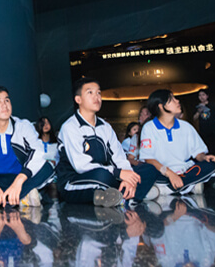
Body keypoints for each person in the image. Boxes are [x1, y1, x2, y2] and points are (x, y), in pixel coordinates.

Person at [56, 78, 160, 207]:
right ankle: (132, 195)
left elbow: (119, 157)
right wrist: (118, 173)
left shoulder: (105, 127)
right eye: (90, 92)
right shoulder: (70, 127)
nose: (96, 97)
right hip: (76, 180)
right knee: (102, 176)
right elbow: (81, 166)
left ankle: (123, 197)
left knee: (149, 169)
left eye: (98, 93)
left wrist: (129, 177)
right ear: (78, 99)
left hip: (108, 175)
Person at [140, 89, 215, 195]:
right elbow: (149, 159)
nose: (177, 101)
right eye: (171, 99)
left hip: (185, 171)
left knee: (212, 165)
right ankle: (189, 186)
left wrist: (205, 157)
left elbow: (198, 153)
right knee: (141, 170)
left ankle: (167, 189)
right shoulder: (149, 127)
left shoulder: (186, 126)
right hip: (162, 172)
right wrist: (170, 173)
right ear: (161, 106)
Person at [193, 88, 215, 156]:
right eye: (200, 95)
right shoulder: (197, 107)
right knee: (208, 151)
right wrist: (199, 111)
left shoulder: (213, 105)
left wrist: (213, 120)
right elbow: (194, 118)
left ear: (207, 96)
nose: (201, 97)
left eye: (203, 95)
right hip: (204, 133)